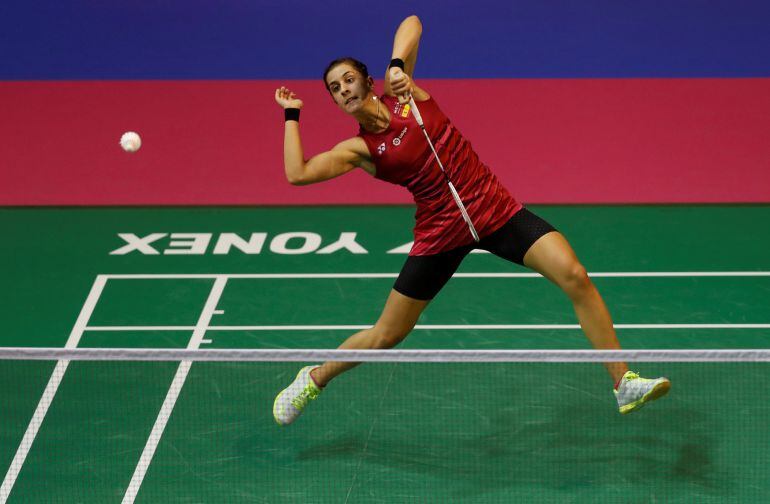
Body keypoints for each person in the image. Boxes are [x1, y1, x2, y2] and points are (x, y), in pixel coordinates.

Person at [272, 15, 669, 425]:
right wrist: (292, 116)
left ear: (367, 81)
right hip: (441, 233)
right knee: (386, 334)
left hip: (495, 210)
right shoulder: (359, 149)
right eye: (335, 89)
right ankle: (314, 378)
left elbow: (412, 23)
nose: (343, 90)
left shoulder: (407, 95)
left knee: (575, 275)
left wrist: (397, 64)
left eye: (348, 80)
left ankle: (623, 382)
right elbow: (296, 174)